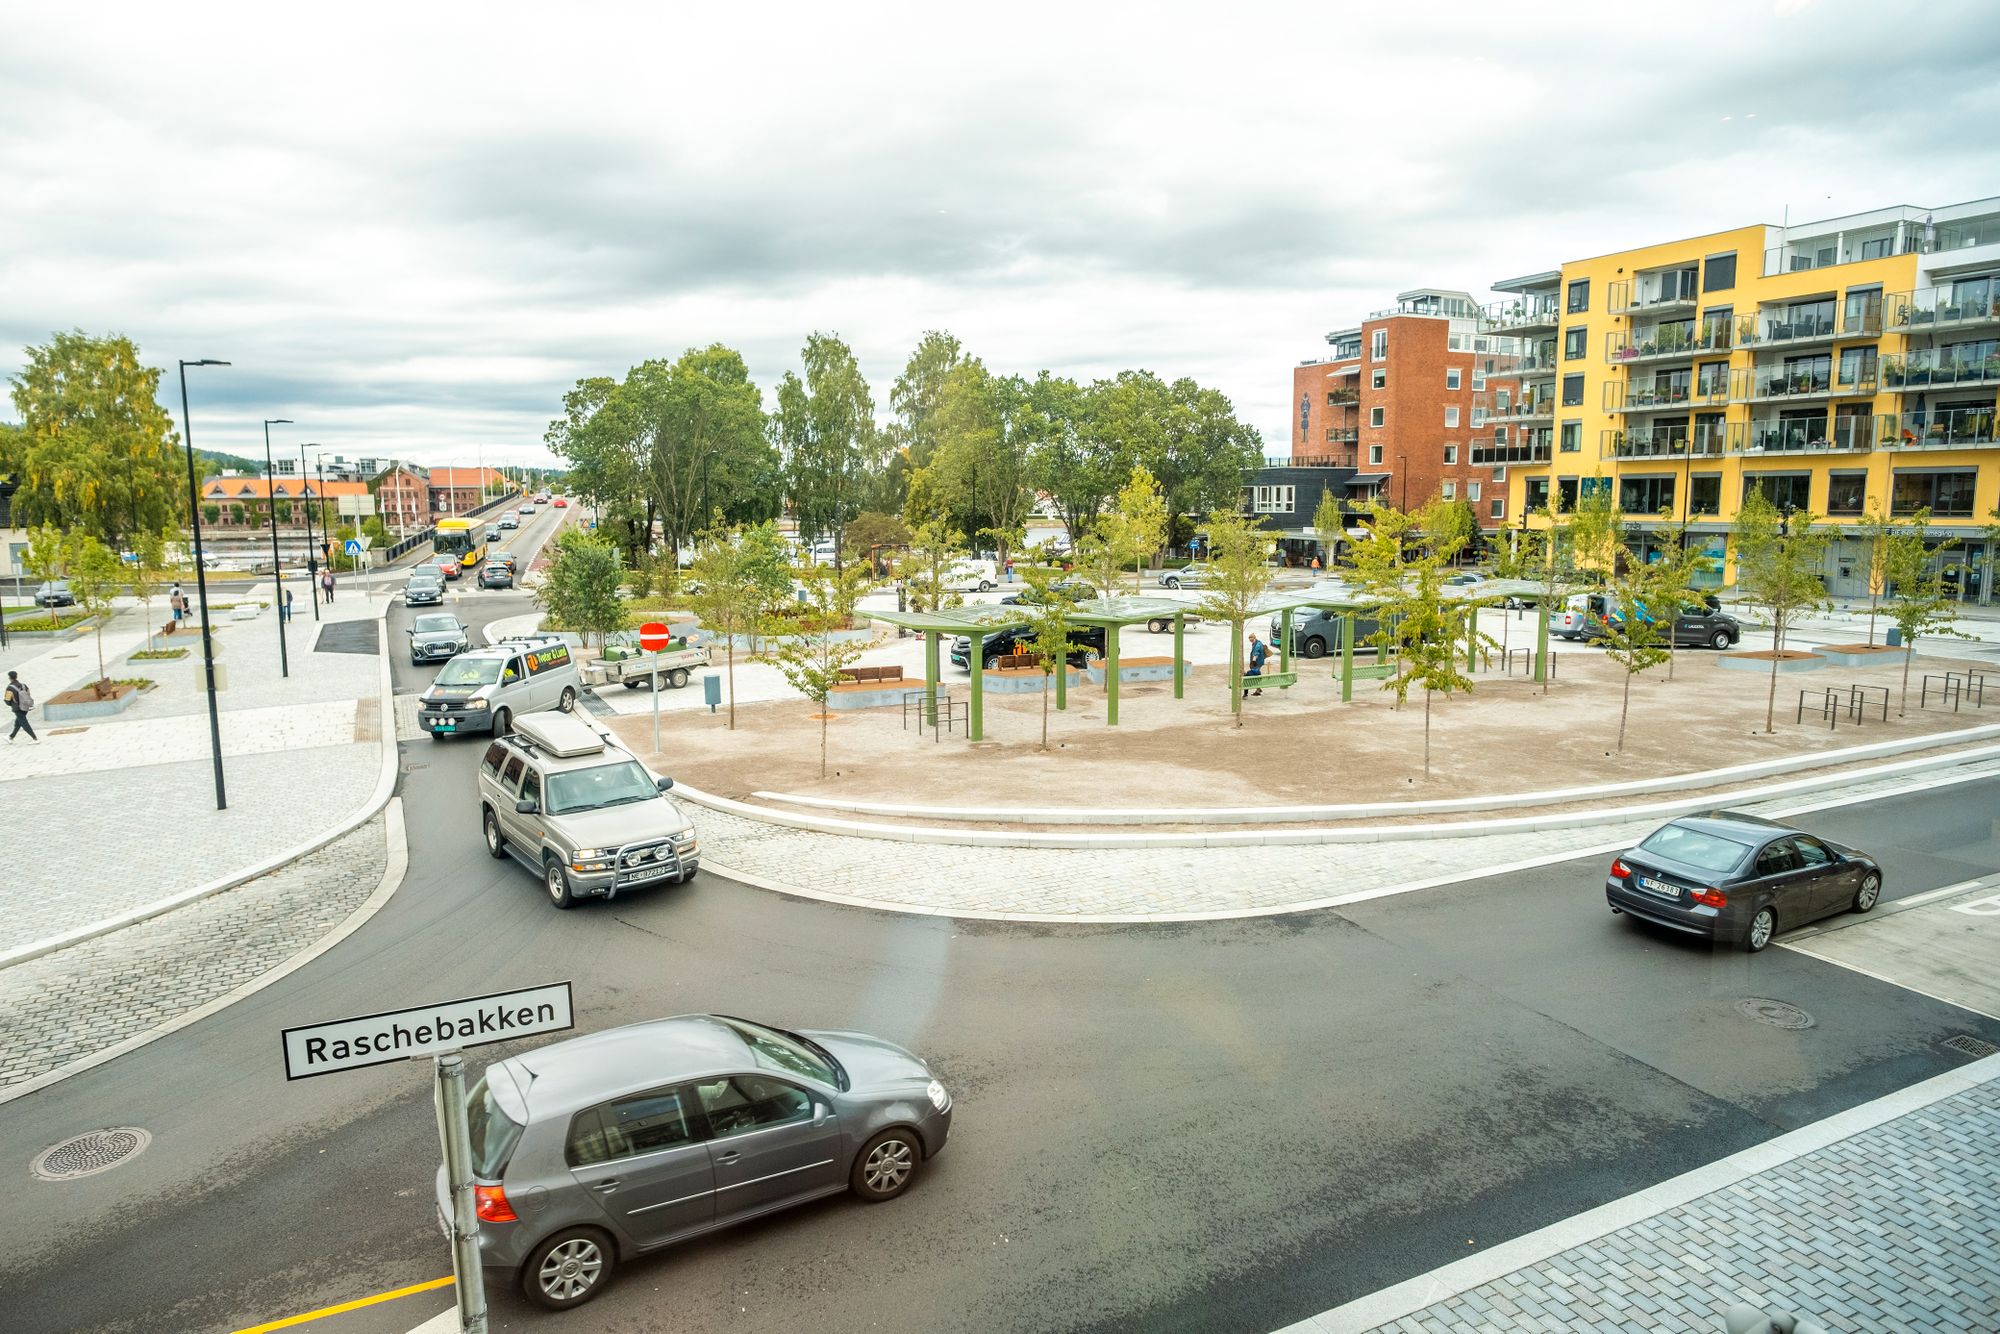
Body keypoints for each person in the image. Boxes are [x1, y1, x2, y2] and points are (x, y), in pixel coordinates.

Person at [5, 671, 37, 743]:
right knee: (18, 722)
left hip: (17, 708)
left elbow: (7, 700)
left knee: (24, 723)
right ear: (16, 676)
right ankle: (11, 737)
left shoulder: (10, 688)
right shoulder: (24, 685)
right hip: (25, 707)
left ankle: (35, 739)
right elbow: (28, 694)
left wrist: (13, 704)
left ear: (9, 678)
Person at [1243, 633, 1267, 698]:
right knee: (1256, 674)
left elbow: (1256, 654)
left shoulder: (1257, 645)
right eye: (1250, 640)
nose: (1251, 641)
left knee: (1255, 675)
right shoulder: (1257, 642)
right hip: (1259, 661)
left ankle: (1258, 691)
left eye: (1251, 639)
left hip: (1257, 662)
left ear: (1254, 638)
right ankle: (1259, 688)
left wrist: (1253, 662)